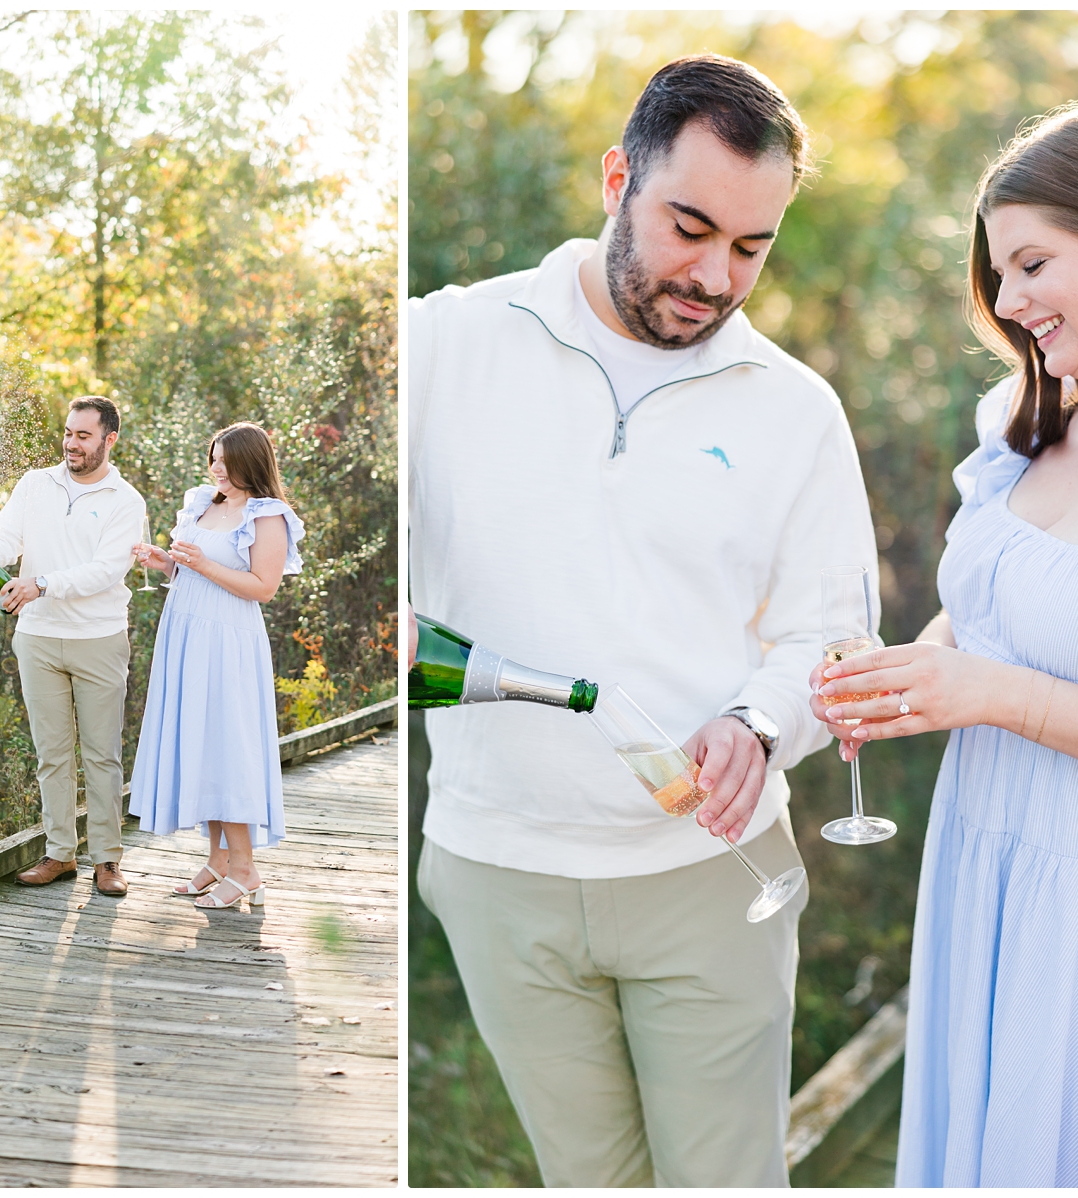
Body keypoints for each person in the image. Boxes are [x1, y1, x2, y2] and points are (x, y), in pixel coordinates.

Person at [408, 55, 878, 1186]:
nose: (714, 276)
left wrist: (757, 724)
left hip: (714, 877)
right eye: (689, 226)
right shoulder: (439, 347)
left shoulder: (793, 411)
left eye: (750, 249)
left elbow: (831, 634)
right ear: (616, 175)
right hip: (494, 868)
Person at [809, 103, 1078, 1187]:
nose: (1007, 302)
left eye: (1032, 263)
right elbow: (981, 623)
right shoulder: (1020, 430)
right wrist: (897, 677)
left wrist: (995, 695)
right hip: (984, 864)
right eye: (998, 272)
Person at [0, 395, 146, 898]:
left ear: (109, 440)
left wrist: (39, 584)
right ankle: (60, 854)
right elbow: (4, 538)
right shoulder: (34, 484)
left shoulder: (126, 501)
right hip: (38, 639)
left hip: (98, 639)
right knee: (52, 754)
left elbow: (106, 571)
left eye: (83, 436)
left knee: (102, 755)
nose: (71, 443)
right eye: (68, 433)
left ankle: (107, 860)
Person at [129, 422, 304, 910]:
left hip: (228, 639)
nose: (217, 469)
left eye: (228, 462)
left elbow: (263, 588)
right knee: (200, 742)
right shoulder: (204, 501)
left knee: (228, 744)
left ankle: (246, 869)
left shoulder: (267, 516)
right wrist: (165, 562)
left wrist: (202, 565)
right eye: (214, 459)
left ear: (252, 463)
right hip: (185, 630)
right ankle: (218, 860)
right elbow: (192, 565)